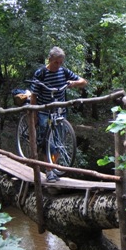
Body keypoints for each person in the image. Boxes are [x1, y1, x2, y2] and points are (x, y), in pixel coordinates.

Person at [30, 46, 87, 182]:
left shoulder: (64, 72)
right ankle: (49, 171)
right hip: (44, 110)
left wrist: (73, 83)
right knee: (48, 143)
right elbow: (34, 95)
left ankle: (53, 168)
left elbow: (84, 82)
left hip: (60, 111)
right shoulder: (41, 73)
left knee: (59, 142)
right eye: (56, 62)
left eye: (61, 62)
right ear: (50, 59)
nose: (58, 65)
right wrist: (35, 114)